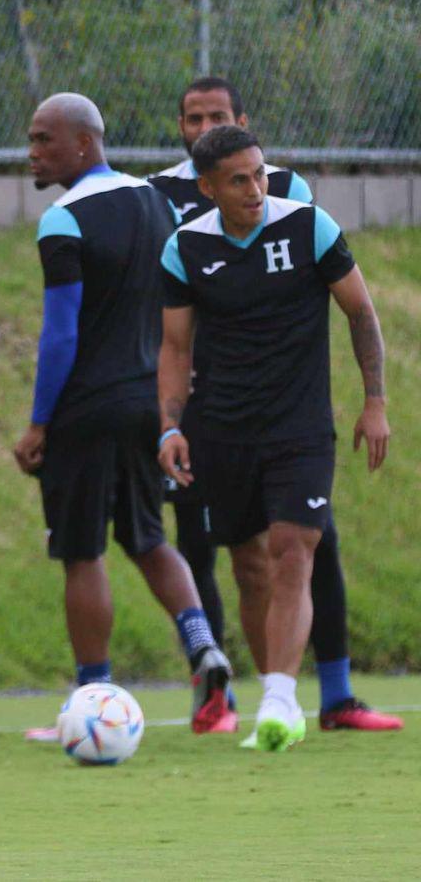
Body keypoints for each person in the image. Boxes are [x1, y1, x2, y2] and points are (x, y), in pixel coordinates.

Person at [149, 77, 401, 734]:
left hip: (301, 424)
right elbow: (175, 349)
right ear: (208, 188)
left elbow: (362, 313)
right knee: (247, 560)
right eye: (238, 181)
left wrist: (375, 402)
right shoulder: (185, 247)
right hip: (222, 428)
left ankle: (282, 701)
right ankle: (272, 692)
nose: (256, 190)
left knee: (297, 545)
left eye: (260, 175)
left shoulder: (310, 227)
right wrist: (169, 427)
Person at [13, 92, 233, 735]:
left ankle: (90, 704)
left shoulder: (62, 220)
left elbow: (60, 335)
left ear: (84, 143)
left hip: (86, 408)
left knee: (82, 553)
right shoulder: (155, 203)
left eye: (43, 139)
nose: (31, 152)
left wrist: (38, 423)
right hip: (147, 401)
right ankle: (202, 644)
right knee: (149, 537)